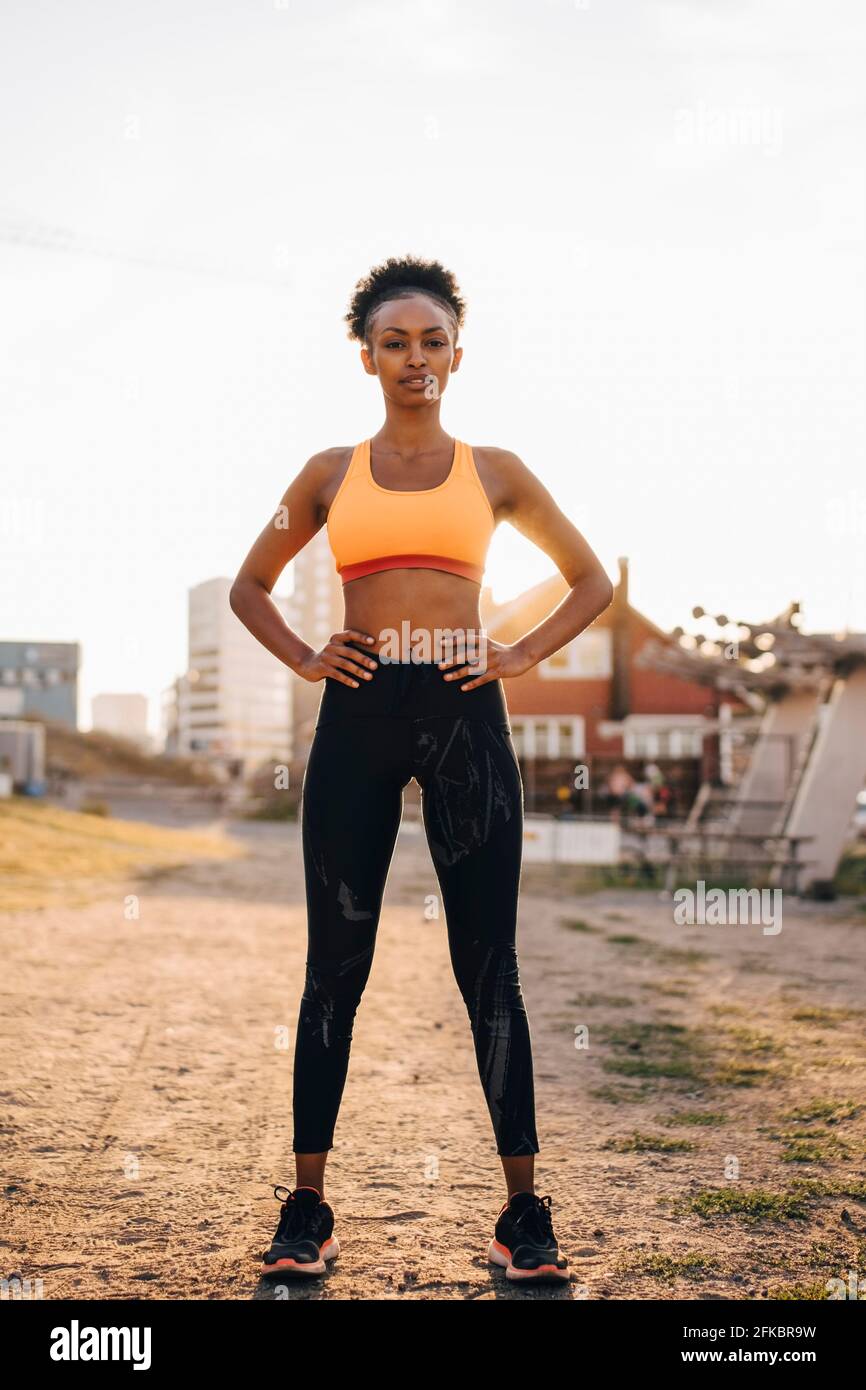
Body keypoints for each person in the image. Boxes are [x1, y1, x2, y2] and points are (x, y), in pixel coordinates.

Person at [229, 255, 613, 1284]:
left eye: (431, 340)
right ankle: (306, 1206)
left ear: (456, 353)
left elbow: (586, 581)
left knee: (489, 964)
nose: (414, 358)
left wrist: (517, 654)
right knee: (333, 970)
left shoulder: (495, 472)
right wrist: (308, 656)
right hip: (357, 716)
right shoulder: (324, 472)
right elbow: (250, 587)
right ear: (364, 355)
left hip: (463, 719)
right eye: (393, 341)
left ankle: (521, 1212)